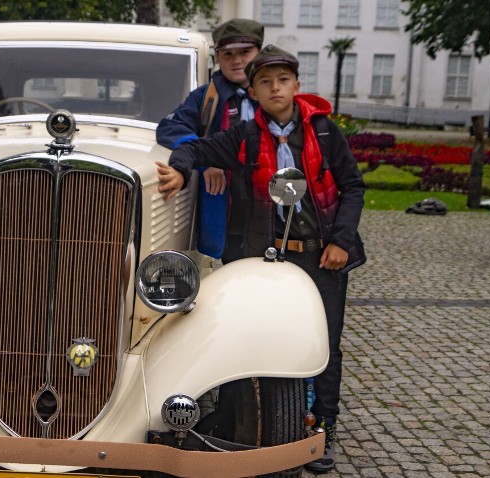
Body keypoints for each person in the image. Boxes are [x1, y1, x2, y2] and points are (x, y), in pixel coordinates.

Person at [156, 45, 366, 473]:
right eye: (265, 82)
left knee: (326, 344)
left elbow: (353, 187)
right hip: (266, 257)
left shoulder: (323, 131)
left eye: (283, 80)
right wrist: (179, 168)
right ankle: (252, 421)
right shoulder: (247, 136)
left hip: (319, 253)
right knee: (259, 338)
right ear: (252, 91)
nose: (275, 88)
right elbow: (199, 150)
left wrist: (340, 241)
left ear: (296, 86)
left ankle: (322, 429)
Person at [156, 18, 263, 263]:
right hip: (224, 210)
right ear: (218, 57)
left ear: (259, 53)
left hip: (267, 212)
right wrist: (207, 160)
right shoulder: (206, 96)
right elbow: (171, 126)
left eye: (245, 52)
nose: (236, 61)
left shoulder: (272, 94)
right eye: (228, 54)